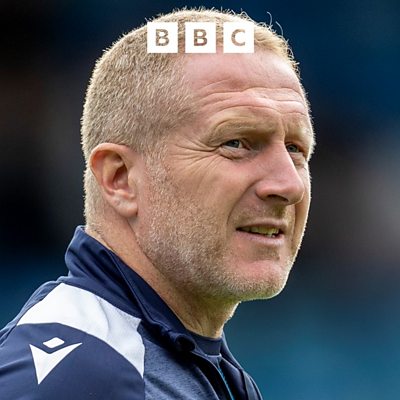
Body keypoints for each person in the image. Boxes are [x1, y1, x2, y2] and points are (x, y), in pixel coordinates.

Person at [0, 8, 314, 400]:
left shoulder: (185, 366)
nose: (289, 185)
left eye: (295, 149)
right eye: (235, 142)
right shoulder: (82, 379)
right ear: (120, 178)